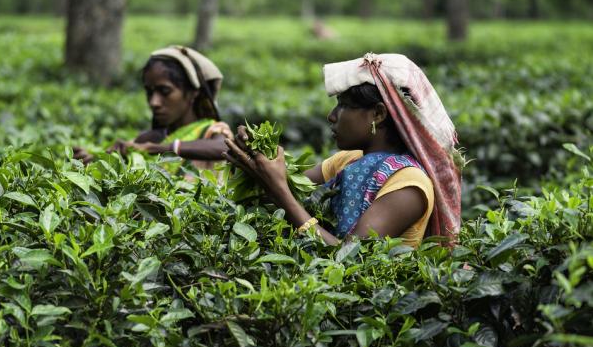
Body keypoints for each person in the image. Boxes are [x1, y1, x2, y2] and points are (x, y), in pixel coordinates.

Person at [224, 53, 462, 247]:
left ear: (378, 114)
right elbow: (279, 189)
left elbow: (348, 258)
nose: (332, 116)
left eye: (345, 105)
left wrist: (279, 190)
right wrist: (253, 152)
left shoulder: (409, 184)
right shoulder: (348, 160)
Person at [74, 45, 232, 172]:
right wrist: (94, 160)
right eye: (149, 92)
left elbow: (225, 147)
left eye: (165, 91)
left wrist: (163, 149)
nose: (154, 102)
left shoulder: (212, 132)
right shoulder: (147, 139)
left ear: (192, 93)